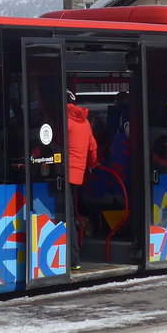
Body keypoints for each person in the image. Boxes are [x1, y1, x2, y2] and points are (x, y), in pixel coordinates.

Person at [66, 90, 98, 270]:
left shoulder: (64, 121)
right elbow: (93, 147)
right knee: (71, 214)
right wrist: (91, 165)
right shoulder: (84, 122)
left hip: (62, 175)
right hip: (78, 175)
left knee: (67, 217)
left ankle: (73, 260)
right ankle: (74, 259)